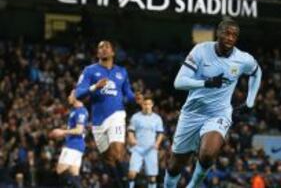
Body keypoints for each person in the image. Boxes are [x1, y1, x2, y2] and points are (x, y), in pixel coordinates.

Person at [164, 19, 262, 188]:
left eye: (234, 35)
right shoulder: (200, 51)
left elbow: (256, 72)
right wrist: (206, 83)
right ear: (218, 33)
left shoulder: (242, 59)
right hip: (192, 113)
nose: (230, 38)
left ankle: (193, 186)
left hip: (219, 113)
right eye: (227, 33)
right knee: (175, 166)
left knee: (208, 154)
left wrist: (250, 101)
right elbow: (178, 82)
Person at [75, 40, 142, 187]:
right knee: (109, 159)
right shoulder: (89, 71)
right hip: (98, 121)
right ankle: (120, 184)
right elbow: (78, 94)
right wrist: (95, 86)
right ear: (97, 53)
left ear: (113, 52)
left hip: (117, 115)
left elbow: (128, 94)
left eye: (106, 47)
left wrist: (135, 98)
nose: (103, 49)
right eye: (100, 47)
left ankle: (128, 185)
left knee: (118, 152)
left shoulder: (121, 72)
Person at [49, 90, 89, 188]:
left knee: (60, 171)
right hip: (76, 146)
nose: (69, 96)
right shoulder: (74, 110)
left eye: (71, 94)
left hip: (73, 145)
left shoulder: (81, 111)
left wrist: (62, 132)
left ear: (76, 96)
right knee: (74, 174)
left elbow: (79, 130)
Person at [127, 96, 164, 188]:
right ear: (142, 105)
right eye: (145, 104)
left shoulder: (157, 118)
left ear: (152, 105)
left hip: (151, 149)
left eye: (148, 104)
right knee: (131, 174)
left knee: (152, 177)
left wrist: (157, 144)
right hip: (137, 149)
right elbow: (130, 131)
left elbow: (160, 133)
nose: (147, 106)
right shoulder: (135, 117)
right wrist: (131, 139)